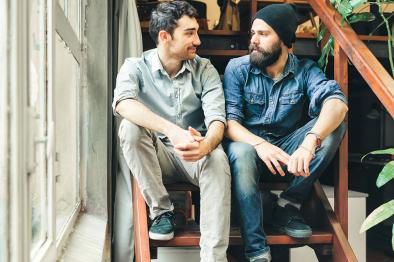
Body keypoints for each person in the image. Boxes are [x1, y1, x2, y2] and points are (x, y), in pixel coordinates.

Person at [223, 4, 348, 262]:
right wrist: (259, 144)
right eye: (252, 33)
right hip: (249, 151)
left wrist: (309, 142)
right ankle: (257, 251)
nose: (253, 41)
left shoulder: (305, 71)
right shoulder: (237, 69)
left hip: (288, 153)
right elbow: (230, 124)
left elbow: (337, 104)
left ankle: (289, 204)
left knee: (335, 125)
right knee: (240, 150)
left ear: (285, 40)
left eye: (263, 34)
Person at [113, 1, 231, 261]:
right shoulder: (135, 67)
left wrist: (208, 144)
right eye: (189, 33)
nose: (198, 40)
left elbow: (217, 120)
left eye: (197, 32)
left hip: (196, 155)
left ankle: (214, 258)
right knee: (130, 129)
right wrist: (171, 130)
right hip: (156, 156)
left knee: (218, 157)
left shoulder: (205, 68)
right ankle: (162, 211)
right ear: (165, 37)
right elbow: (123, 104)